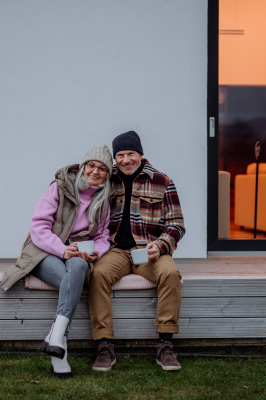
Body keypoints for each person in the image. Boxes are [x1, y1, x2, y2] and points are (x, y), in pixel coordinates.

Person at [1, 145, 113, 379]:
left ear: (107, 174)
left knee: (80, 268)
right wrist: (63, 250)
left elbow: (103, 237)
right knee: (70, 283)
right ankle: (58, 346)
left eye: (102, 168)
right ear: (83, 166)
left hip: (79, 254)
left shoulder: (103, 200)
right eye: (92, 165)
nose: (95, 171)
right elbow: (38, 227)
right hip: (45, 251)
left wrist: (96, 253)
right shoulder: (59, 188)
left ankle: (56, 340)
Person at [88, 131, 186, 372]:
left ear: (140, 154)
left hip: (149, 250)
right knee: (96, 275)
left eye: (131, 153)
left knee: (171, 275)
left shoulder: (162, 181)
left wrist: (161, 245)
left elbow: (176, 224)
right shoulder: (106, 180)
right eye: (120, 155)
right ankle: (104, 345)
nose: (125, 160)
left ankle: (165, 345)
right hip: (115, 251)